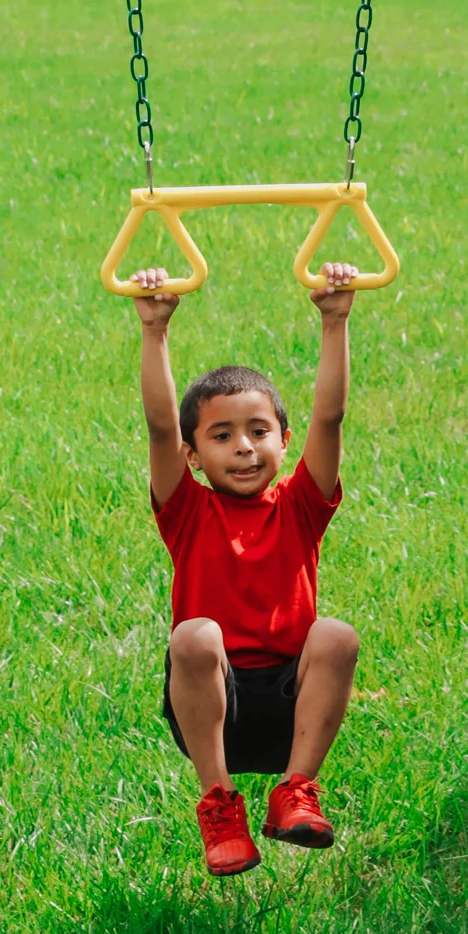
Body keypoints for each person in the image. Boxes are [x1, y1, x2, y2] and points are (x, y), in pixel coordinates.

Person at [129, 262, 362, 877]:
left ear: (284, 441)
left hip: (292, 707)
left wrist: (335, 320)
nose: (244, 446)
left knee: (336, 636)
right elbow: (160, 425)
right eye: (222, 436)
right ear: (192, 456)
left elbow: (330, 419)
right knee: (194, 635)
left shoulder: (301, 505)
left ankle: (296, 791)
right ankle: (220, 805)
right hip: (215, 710)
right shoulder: (187, 511)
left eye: (259, 431)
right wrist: (154, 329)